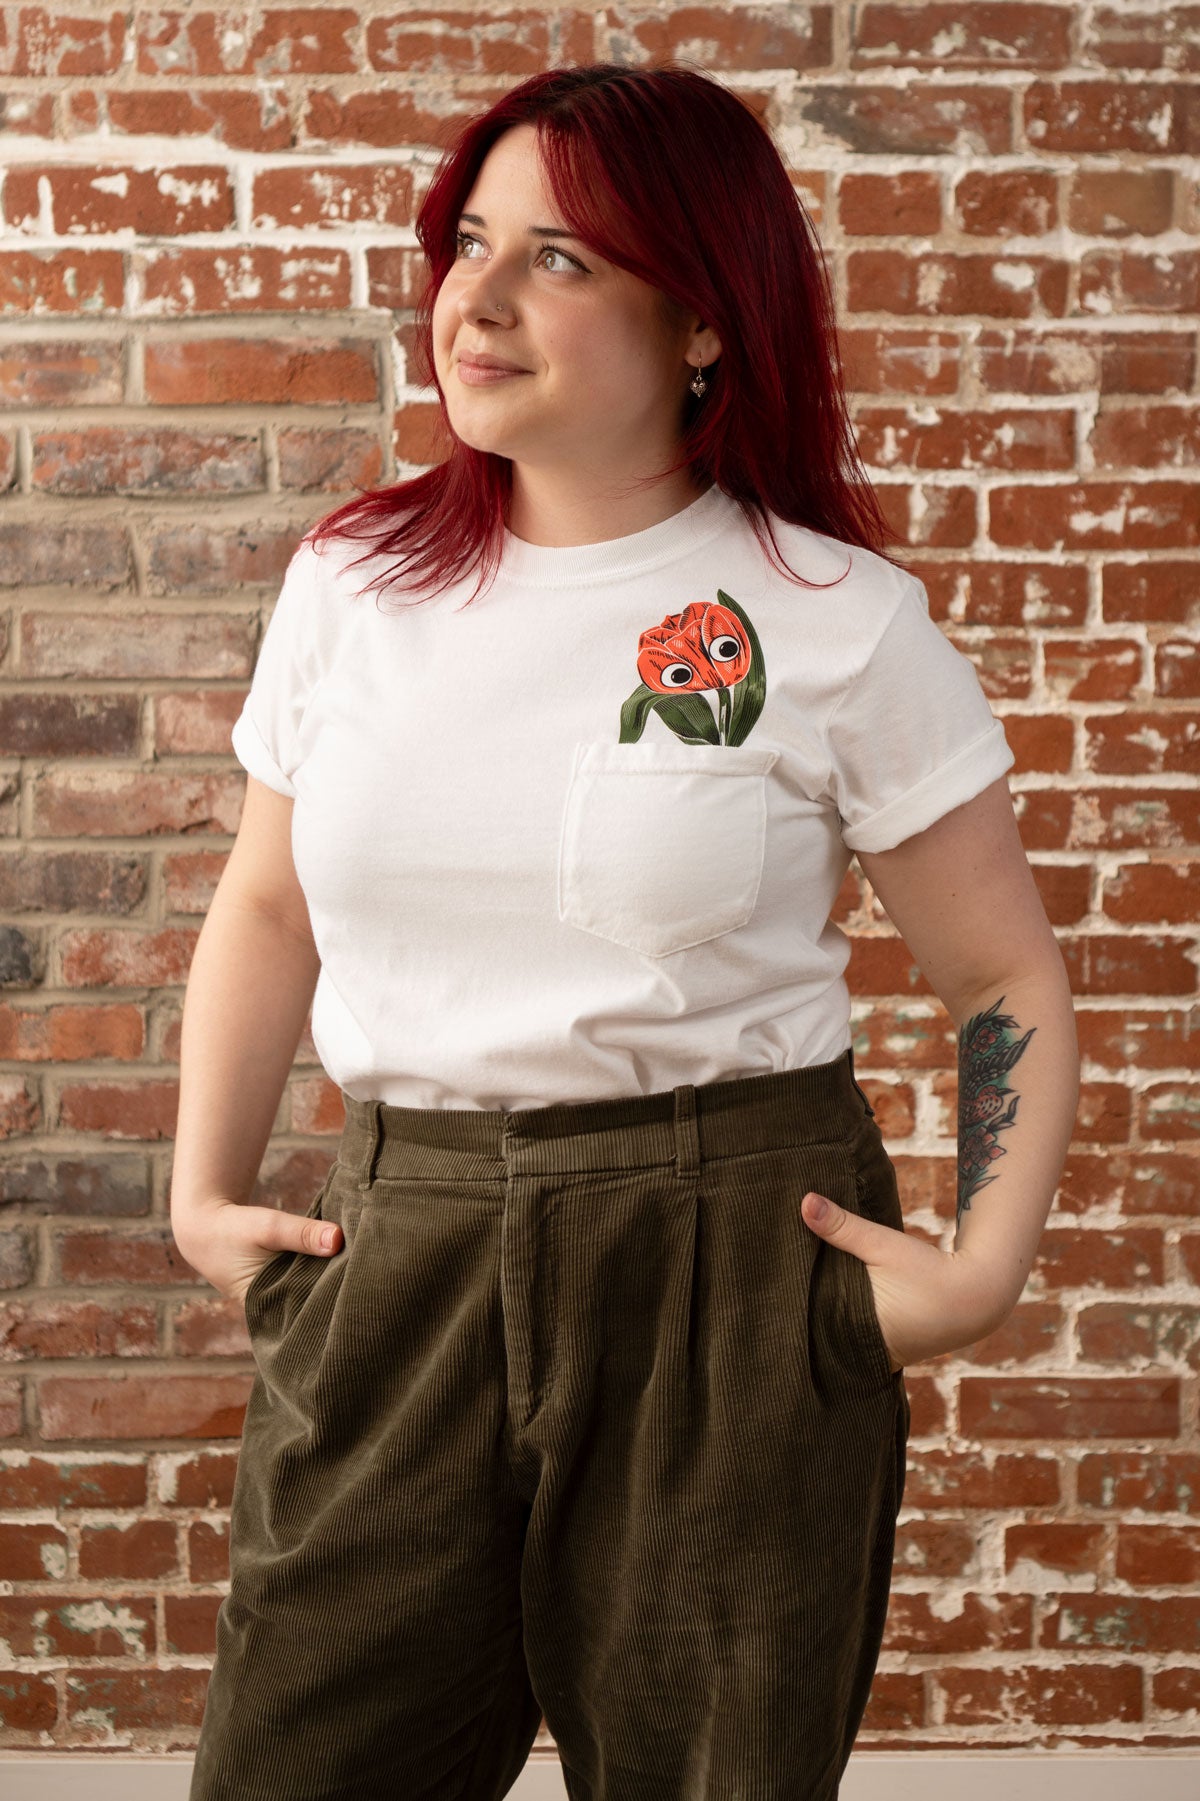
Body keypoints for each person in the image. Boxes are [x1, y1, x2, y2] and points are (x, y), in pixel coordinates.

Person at [174, 60, 1080, 1801]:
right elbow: (270, 904)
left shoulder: (834, 618)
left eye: (562, 258)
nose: (478, 300)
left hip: (725, 1269)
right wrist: (202, 1192)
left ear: (705, 320)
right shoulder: (352, 584)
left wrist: (982, 1266)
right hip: (400, 1255)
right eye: (471, 242)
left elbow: (1000, 975)